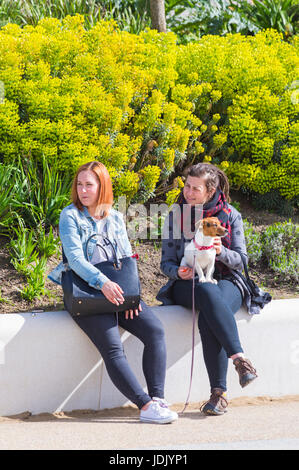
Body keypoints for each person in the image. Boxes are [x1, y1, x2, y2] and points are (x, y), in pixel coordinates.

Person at [48, 160, 177, 424]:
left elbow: (126, 256)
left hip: (117, 292)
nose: (83, 190)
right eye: (80, 184)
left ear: (102, 187)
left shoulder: (115, 217)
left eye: (89, 185)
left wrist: (130, 296)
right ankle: (145, 406)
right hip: (88, 294)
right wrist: (103, 283)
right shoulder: (70, 215)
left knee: (155, 331)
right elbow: (75, 259)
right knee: (113, 347)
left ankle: (158, 398)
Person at [157, 162, 258, 416]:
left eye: (195, 189)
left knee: (210, 308)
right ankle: (240, 361)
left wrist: (221, 251)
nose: (188, 192)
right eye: (187, 186)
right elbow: (166, 263)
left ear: (210, 191)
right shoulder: (175, 215)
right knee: (206, 291)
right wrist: (177, 272)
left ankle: (218, 394)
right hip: (186, 284)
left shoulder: (230, 215)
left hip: (228, 281)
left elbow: (242, 260)